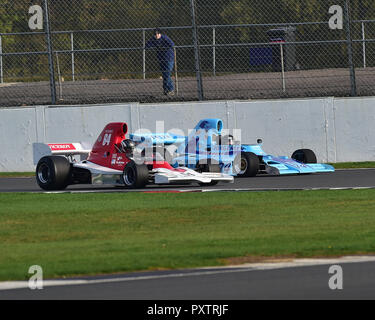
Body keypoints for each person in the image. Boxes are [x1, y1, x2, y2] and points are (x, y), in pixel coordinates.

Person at [145, 28, 175, 96]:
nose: (156, 35)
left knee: (167, 73)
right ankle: (166, 90)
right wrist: (151, 46)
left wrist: (163, 47)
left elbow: (172, 44)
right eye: (155, 34)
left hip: (168, 58)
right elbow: (147, 46)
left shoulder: (165, 38)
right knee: (164, 74)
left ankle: (170, 89)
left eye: (158, 34)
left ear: (160, 34)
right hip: (161, 59)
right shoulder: (153, 39)